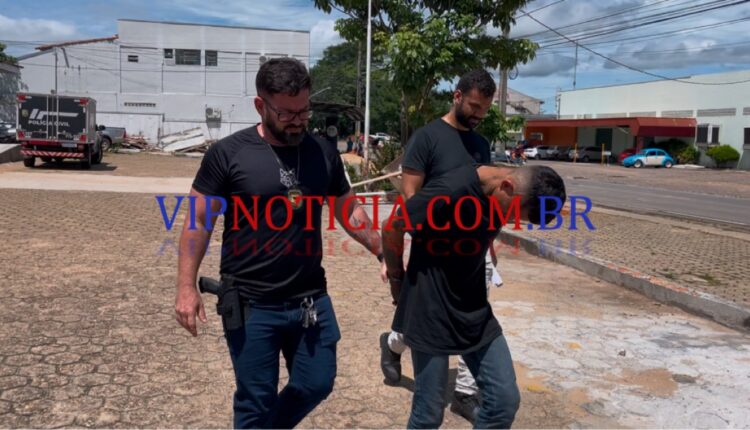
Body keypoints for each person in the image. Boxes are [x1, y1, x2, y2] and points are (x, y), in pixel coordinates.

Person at [173, 57, 386, 429]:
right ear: (261, 105)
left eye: (304, 110)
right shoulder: (228, 154)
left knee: (317, 382)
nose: (298, 120)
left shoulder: (322, 151)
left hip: (309, 298)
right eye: (286, 113)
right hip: (251, 302)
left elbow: (349, 210)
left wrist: (383, 250)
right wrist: (185, 287)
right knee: (256, 399)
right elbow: (199, 222)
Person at [382, 164, 567, 429]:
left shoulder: (500, 193)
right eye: (514, 214)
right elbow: (392, 227)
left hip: (473, 309)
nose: (511, 221)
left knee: (503, 402)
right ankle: (390, 345)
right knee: (428, 415)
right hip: (429, 308)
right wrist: (397, 282)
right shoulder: (449, 190)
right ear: (507, 187)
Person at [378, 69, 499, 422]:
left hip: (473, 254)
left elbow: (483, 197)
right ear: (457, 96)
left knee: (471, 321)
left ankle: (464, 392)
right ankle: (391, 343)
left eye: (485, 109)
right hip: (434, 255)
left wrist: (487, 244)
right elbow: (410, 198)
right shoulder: (427, 138)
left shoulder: (481, 144)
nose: (478, 115)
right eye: (474, 106)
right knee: (420, 327)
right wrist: (402, 253)